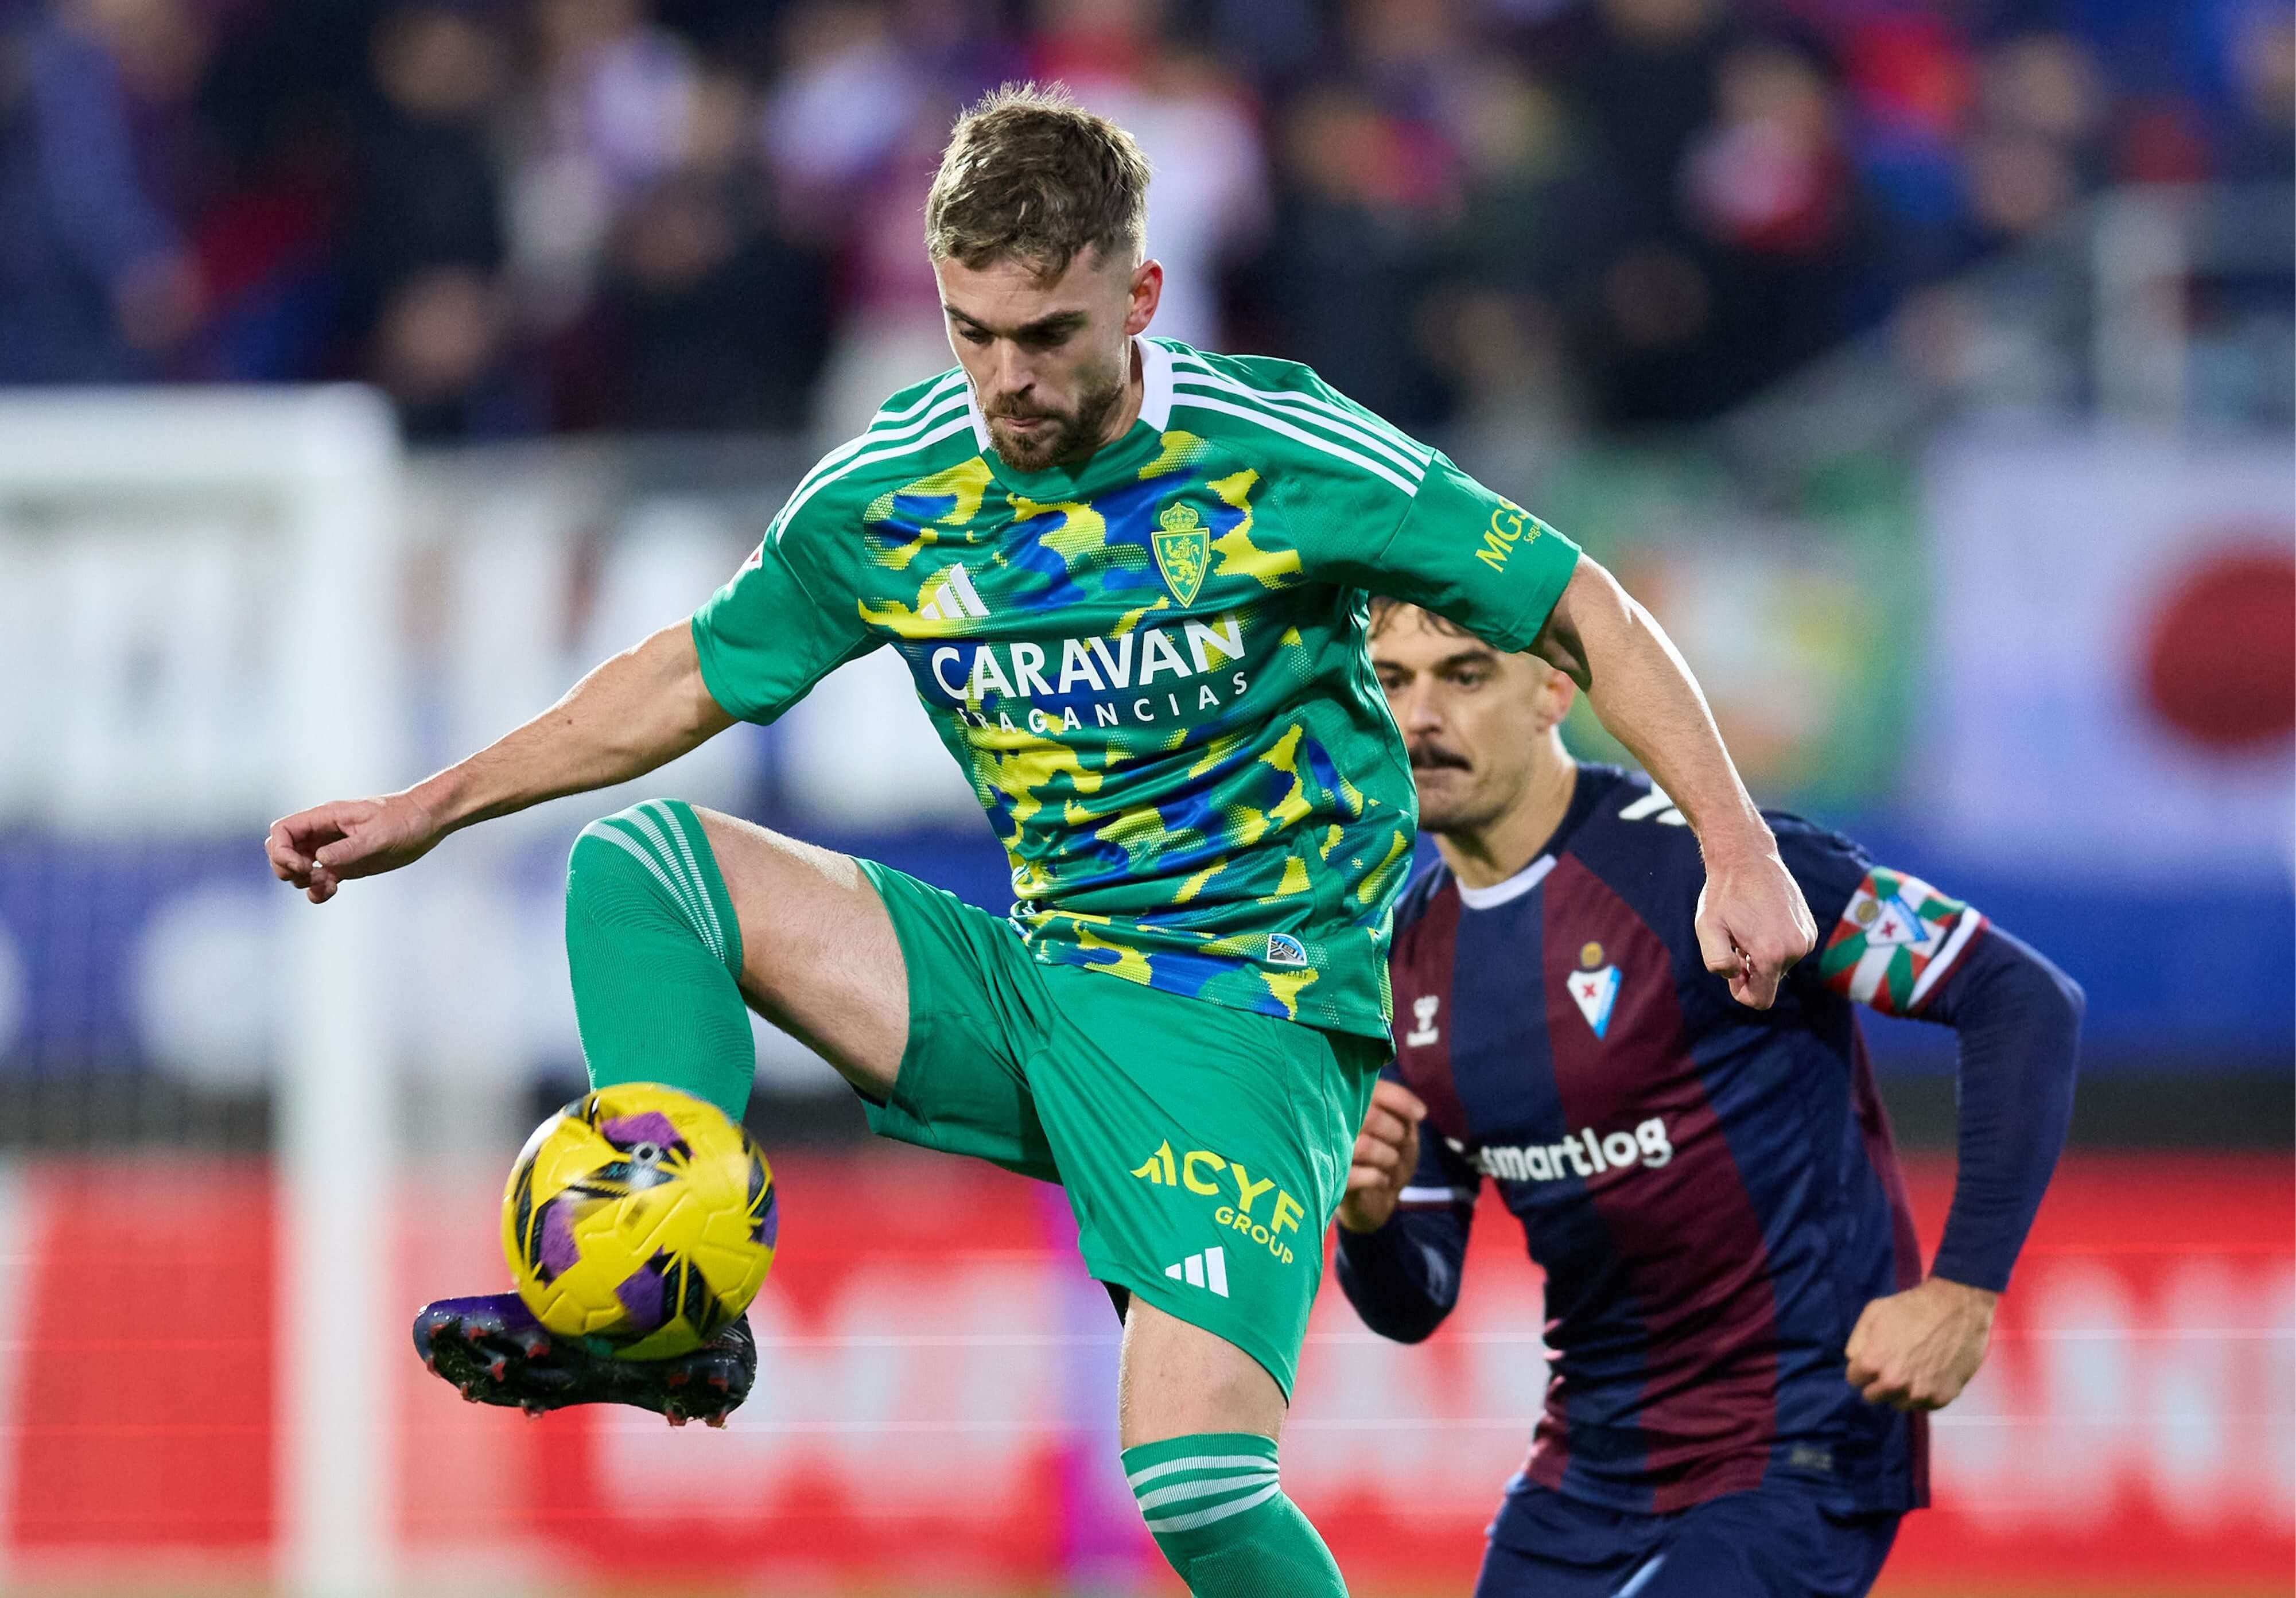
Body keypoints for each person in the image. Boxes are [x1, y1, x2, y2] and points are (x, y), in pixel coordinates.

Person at [267, 83, 1817, 1598]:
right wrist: (427, 806)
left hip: (1250, 1015)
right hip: (1040, 980)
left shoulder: (1284, 454)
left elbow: (1581, 608)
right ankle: (675, 1316)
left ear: (1139, 295)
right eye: (970, 331)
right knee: (647, 872)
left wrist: (1732, 847)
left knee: (1198, 1484)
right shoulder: (893, 492)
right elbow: (682, 675)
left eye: (1047, 335)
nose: (1003, 379)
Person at [1334, 601, 2084, 1598]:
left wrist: (1963, 1291)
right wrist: (1370, 1218)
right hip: (1586, 1466)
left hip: (1795, 1441)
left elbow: (2018, 994)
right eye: (1390, 679)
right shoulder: (1399, 961)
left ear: (1556, 685)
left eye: (1464, 675)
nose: (1420, 715)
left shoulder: (1708, 863)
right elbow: (1414, 1301)